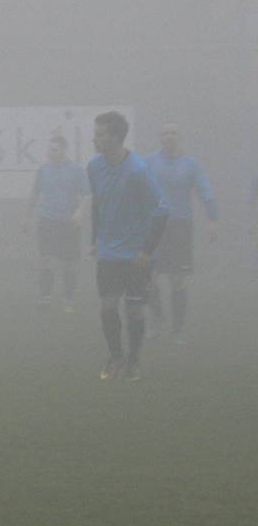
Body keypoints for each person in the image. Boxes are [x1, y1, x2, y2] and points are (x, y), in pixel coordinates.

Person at [88, 112, 168, 381]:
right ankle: (116, 357)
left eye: (100, 133)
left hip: (136, 256)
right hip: (109, 253)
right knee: (107, 307)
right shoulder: (94, 166)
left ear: (114, 137)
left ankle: (133, 360)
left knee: (134, 311)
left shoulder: (138, 170)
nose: (94, 138)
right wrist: (94, 238)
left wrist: (147, 250)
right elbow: (98, 202)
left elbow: (161, 210)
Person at [145, 122, 218, 345]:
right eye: (165, 132)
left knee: (178, 281)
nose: (169, 136)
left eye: (173, 133)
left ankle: (178, 330)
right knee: (148, 278)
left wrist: (212, 219)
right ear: (159, 137)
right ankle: (156, 317)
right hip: (155, 225)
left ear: (179, 137)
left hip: (180, 227)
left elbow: (205, 191)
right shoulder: (149, 162)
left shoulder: (190, 164)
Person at [23, 134, 89, 314]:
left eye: (55, 149)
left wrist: (79, 212)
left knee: (70, 263)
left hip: (68, 224)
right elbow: (34, 194)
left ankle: (68, 299)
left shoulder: (77, 170)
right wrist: (27, 217)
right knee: (46, 260)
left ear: (63, 150)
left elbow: (87, 194)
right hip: (47, 221)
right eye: (49, 149)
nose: (51, 152)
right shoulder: (43, 170)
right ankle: (45, 297)